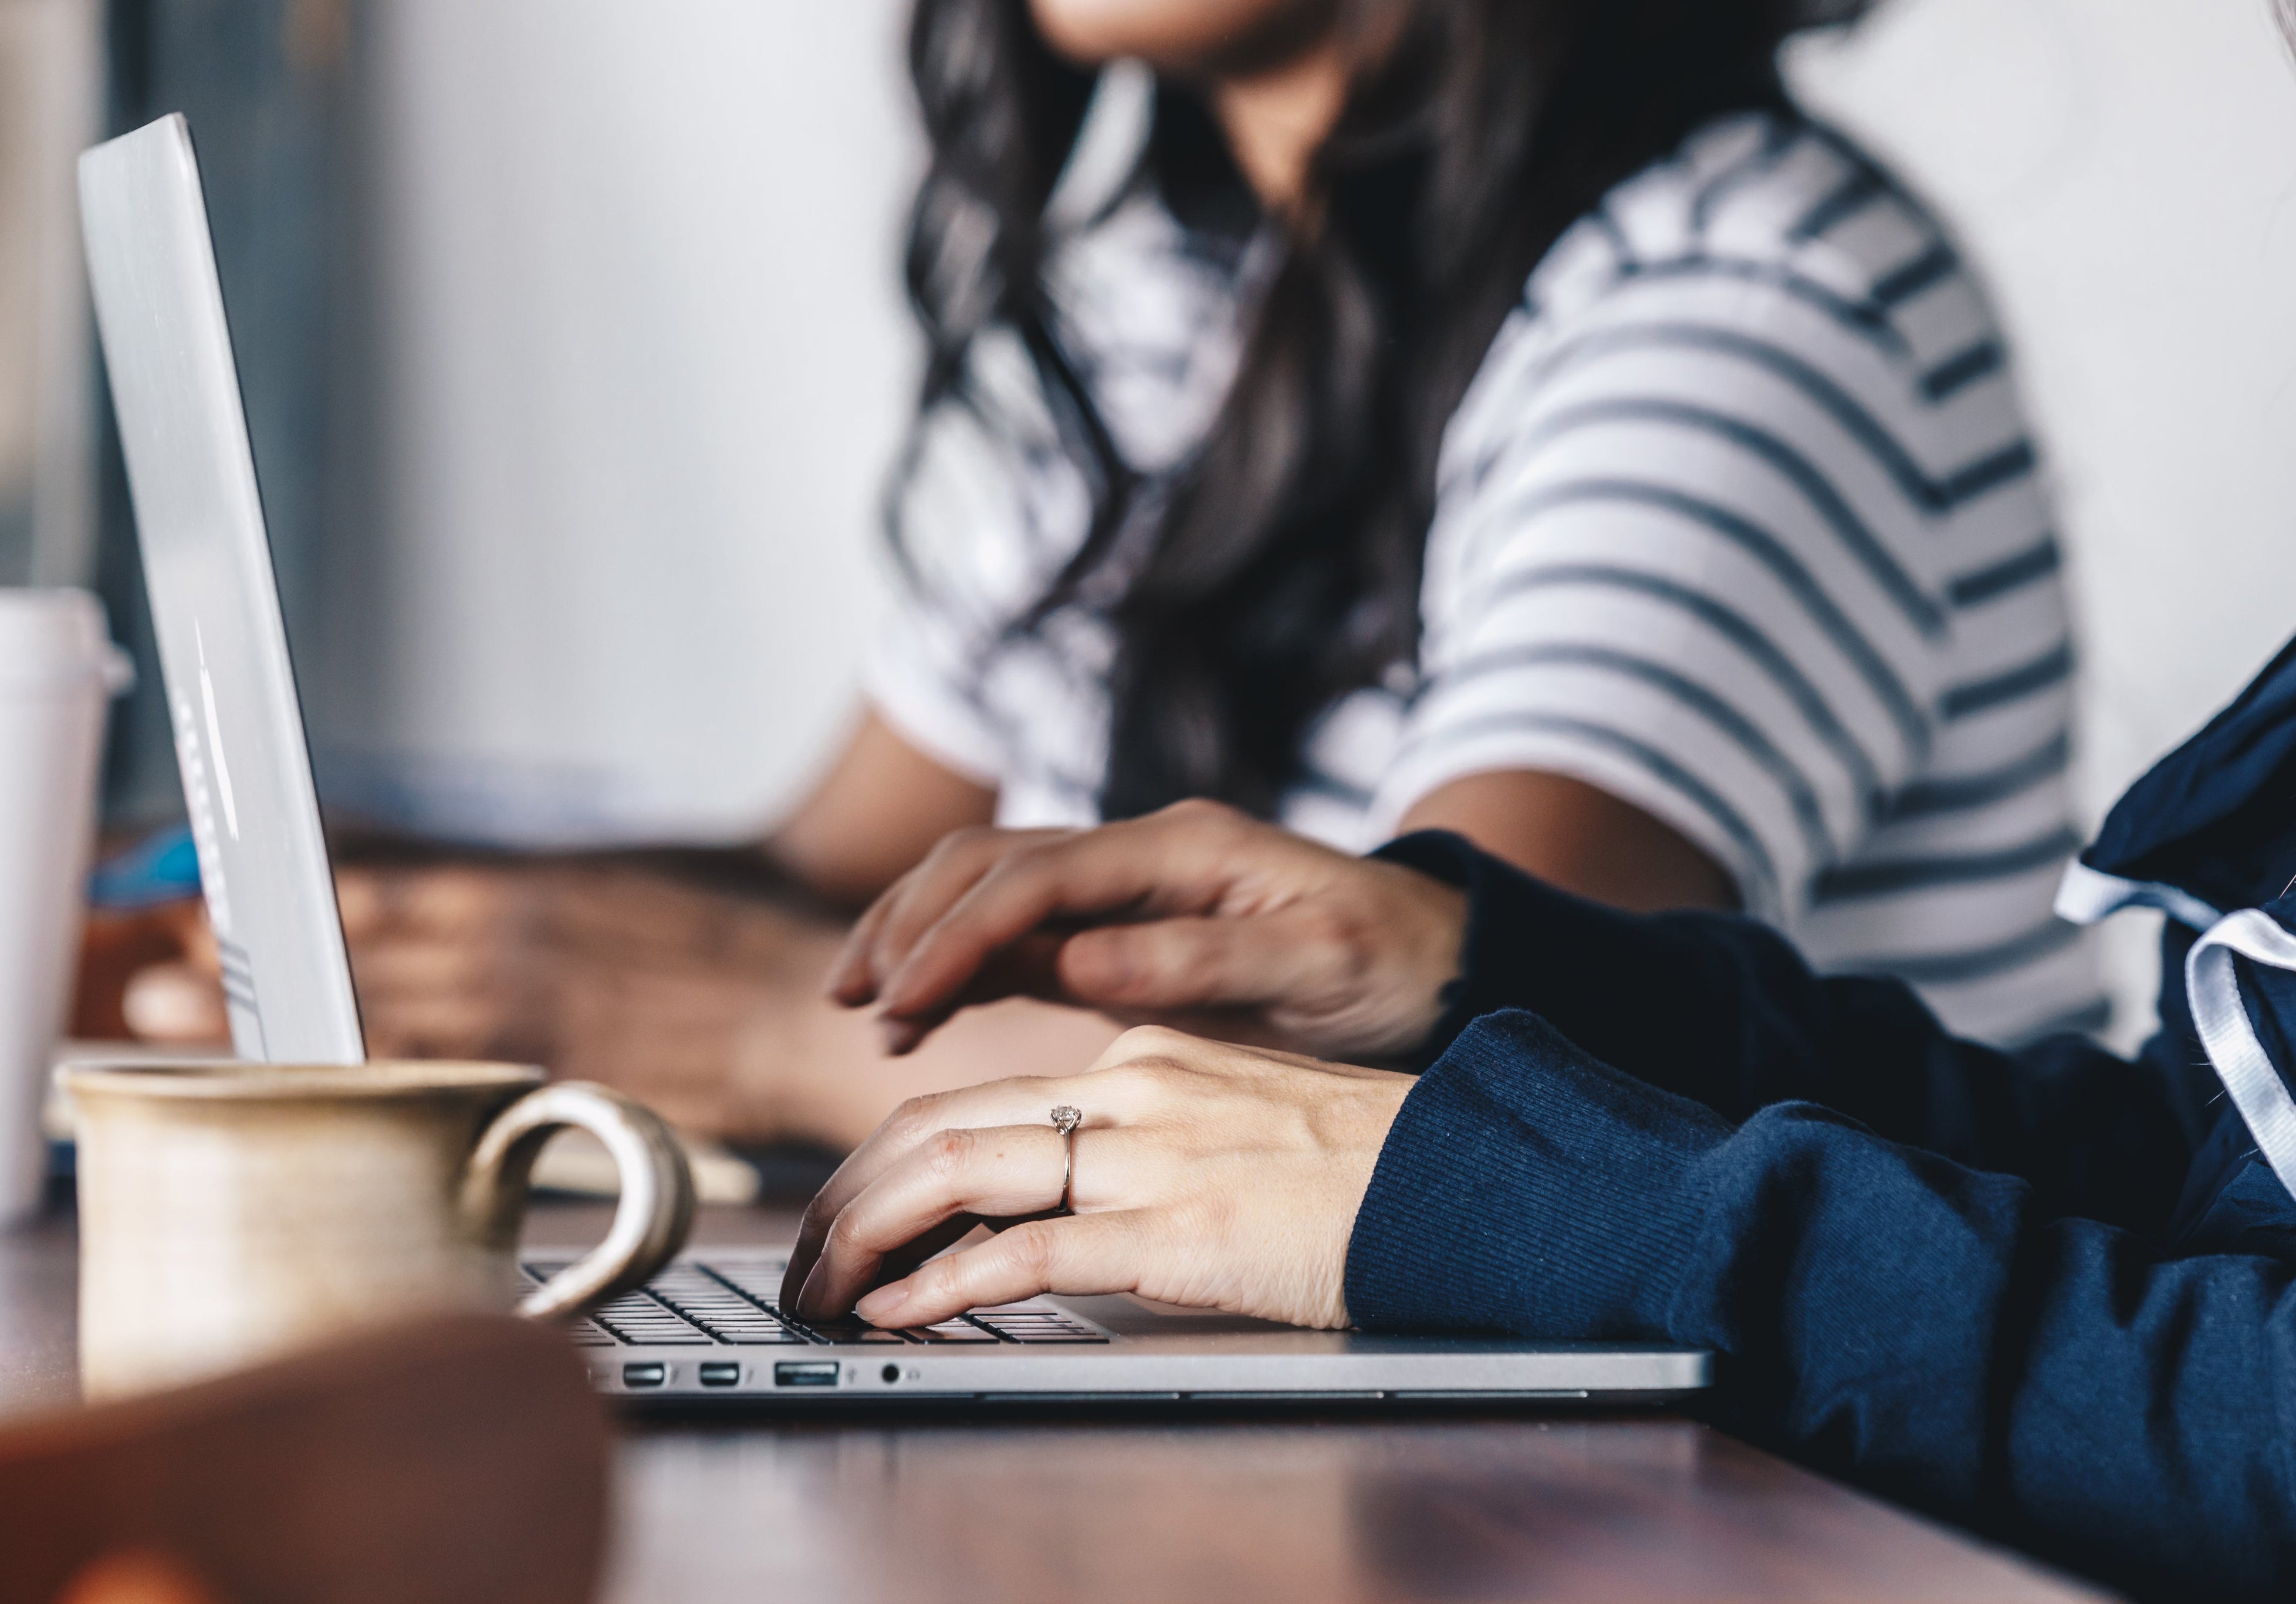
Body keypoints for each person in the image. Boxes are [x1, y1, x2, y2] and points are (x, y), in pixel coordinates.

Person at [776, 9, 2296, 1593]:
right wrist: (1481, 966)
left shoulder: (1738, 286)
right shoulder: (1155, 287)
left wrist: (1488, 1193)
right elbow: (2224, 1202)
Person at [130, 0, 2097, 1143]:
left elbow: (1482, 1076)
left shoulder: (1741, 302)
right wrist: (361, 922)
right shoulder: (1164, 293)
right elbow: (833, 885)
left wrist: (746, 1032)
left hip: (1743, 1510)